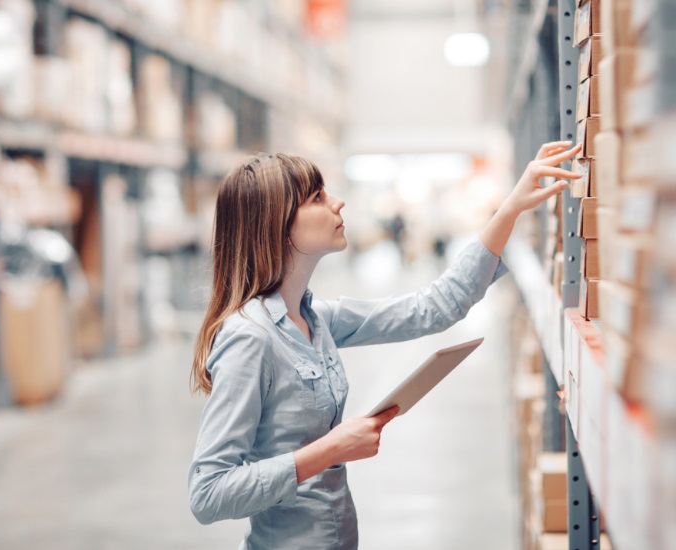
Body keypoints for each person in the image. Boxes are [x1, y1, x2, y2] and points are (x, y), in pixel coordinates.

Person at [188, 142, 583, 549]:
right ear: (279, 224)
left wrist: (510, 209)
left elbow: (433, 307)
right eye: (318, 197)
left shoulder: (316, 319)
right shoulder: (250, 338)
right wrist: (330, 450)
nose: (338, 203)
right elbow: (208, 492)